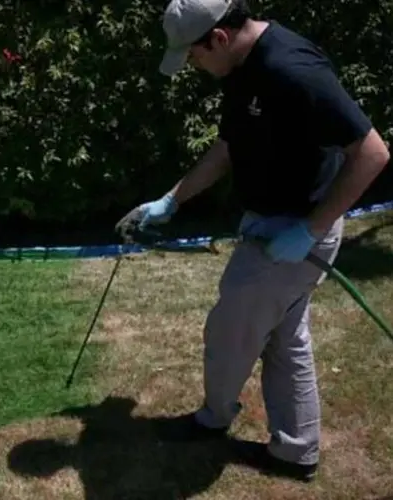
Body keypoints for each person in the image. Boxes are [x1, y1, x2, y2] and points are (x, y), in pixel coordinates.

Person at [115, 0, 390, 483]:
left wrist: (311, 228)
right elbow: (229, 146)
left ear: (218, 38)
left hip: (295, 234)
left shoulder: (291, 69)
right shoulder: (243, 68)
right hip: (270, 222)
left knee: (229, 332)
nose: (194, 67)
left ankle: (214, 418)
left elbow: (372, 152)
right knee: (286, 337)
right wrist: (172, 200)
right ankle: (297, 450)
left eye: (194, 56)